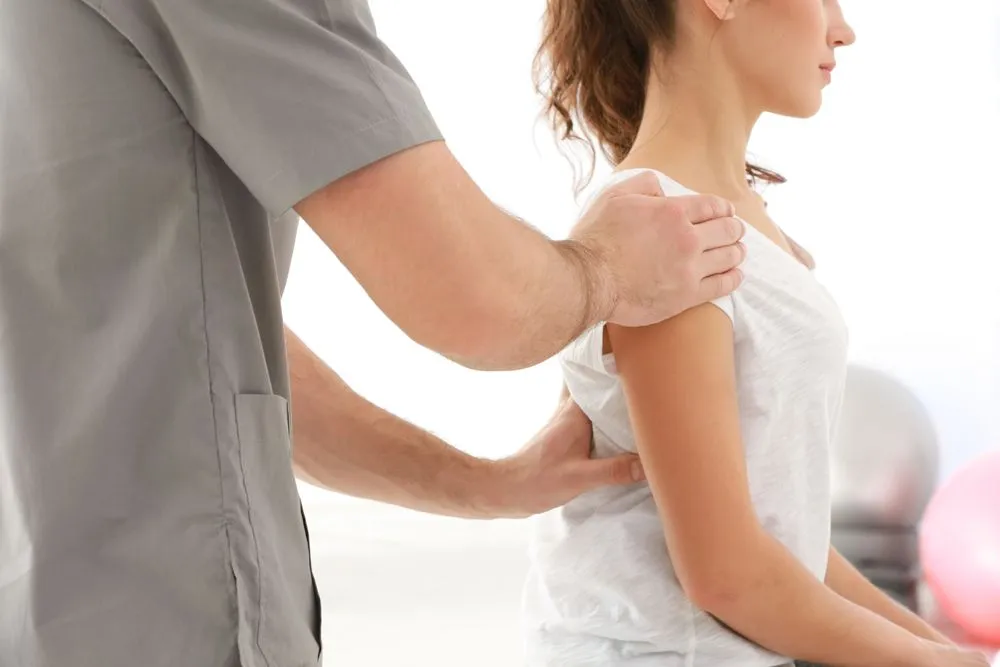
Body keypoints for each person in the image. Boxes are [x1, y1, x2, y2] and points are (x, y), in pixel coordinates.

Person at [0, 1, 759, 665]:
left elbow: (198, 349)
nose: (844, 28)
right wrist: (604, 269)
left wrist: (488, 484)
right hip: (164, 612)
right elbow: (474, 298)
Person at [522, 2, 992, 667]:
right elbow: (725, 573)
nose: (843, 28)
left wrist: (943, 651)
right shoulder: (670, 233)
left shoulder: (726, 221)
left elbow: (784, 539)